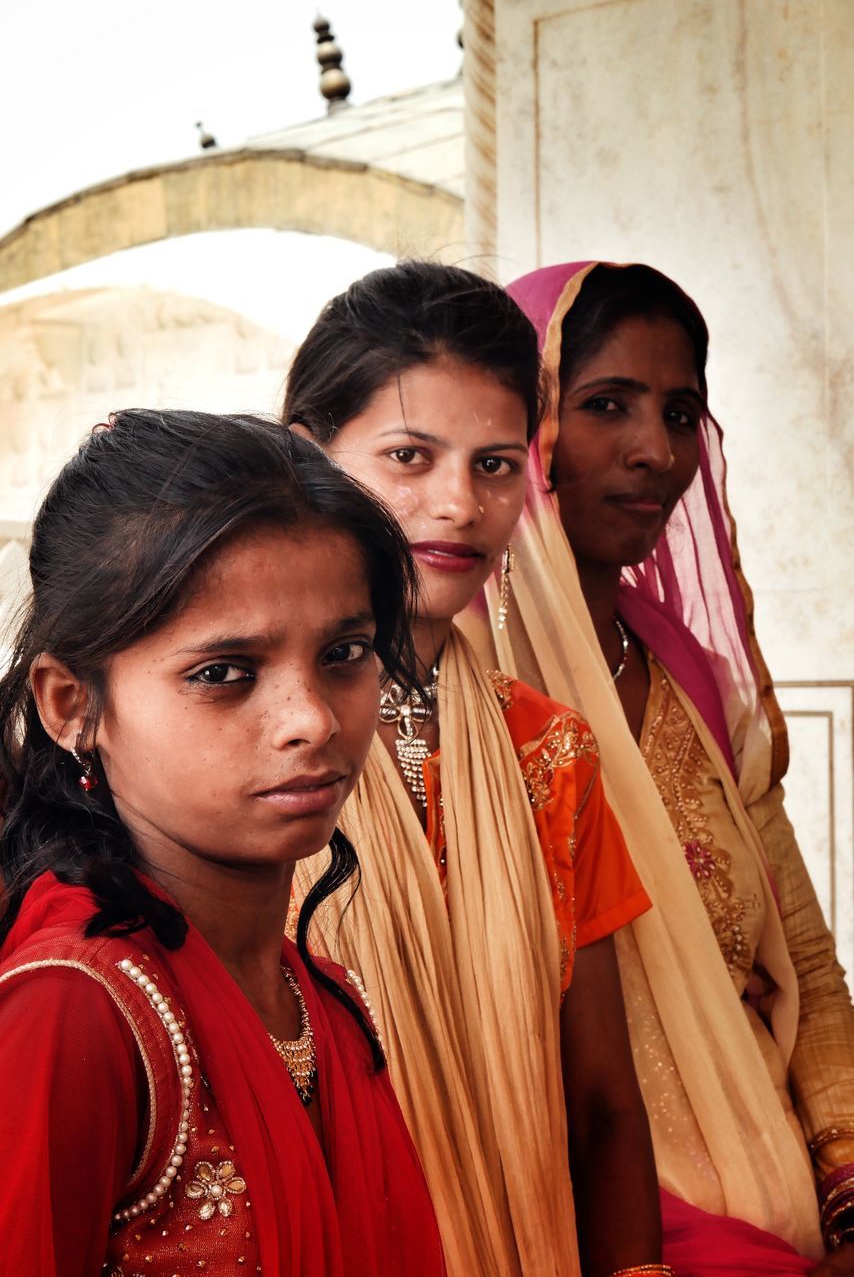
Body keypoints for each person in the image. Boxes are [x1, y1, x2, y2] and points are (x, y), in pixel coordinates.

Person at [465, 259, 854, 1276]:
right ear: (516, 431)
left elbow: (803, 968)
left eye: (679, 412)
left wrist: (848, 1180)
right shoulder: (456, 700)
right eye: (604, 405)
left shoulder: (696, 684)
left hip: (792, 1220)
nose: (655, 450)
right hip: (598, 1233)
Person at [282, 261, 669, 1277]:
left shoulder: (550, 753)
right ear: (303, 458)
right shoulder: (238, 749)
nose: (455, 502)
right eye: (409, 455)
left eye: (494, 465)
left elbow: (598, 1105)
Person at [0, 410, 446, 1277]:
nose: (311, 719)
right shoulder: (74, 1009)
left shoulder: (315, 995)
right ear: (70, 706)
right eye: (222, 674)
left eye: (346, 653)